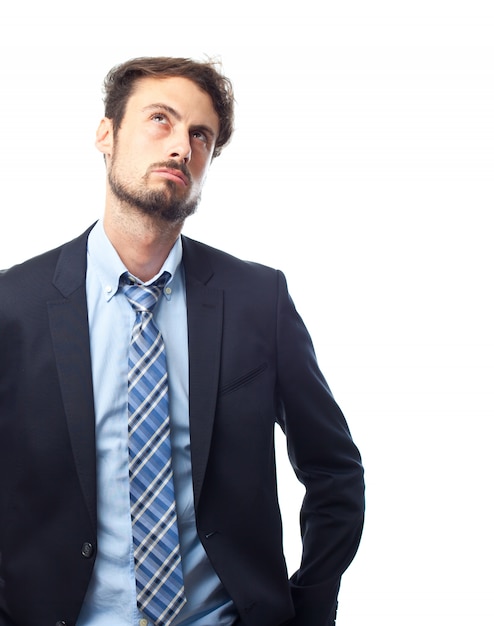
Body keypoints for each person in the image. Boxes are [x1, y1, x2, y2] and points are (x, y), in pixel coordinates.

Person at [0, 56, 365, 626]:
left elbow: (334, 472)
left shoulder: (257, 300)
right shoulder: (12, 307)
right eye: (160, 120)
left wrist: (310, 609)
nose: (180, 147)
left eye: (201, 136)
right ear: (106, 133)